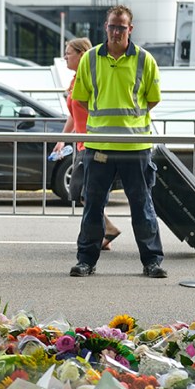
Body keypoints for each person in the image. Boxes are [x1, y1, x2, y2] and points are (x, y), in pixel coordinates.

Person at [69, 5, 166, 279]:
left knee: (142, 206)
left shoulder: (145, 60)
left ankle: (152, 262)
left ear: (130, 29)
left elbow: (152, 98)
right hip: (100, 145)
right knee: (93, 207)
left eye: (121, 27)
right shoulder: (89, 59)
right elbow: (81, 98)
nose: (115, 31)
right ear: (105, 27)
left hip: (135, 147)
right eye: (112, 26)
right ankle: (86, 260)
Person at [51, 37, 121, 250]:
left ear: (82, 54)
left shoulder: (93, 77)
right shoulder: (75, 80)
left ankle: (103, 232)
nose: (65, 56)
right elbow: (73, 114)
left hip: (93, 143)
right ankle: (102, 233)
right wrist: (62, 139)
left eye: (68, 52)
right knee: (84, 191)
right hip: (82, 143)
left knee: (84, 191)